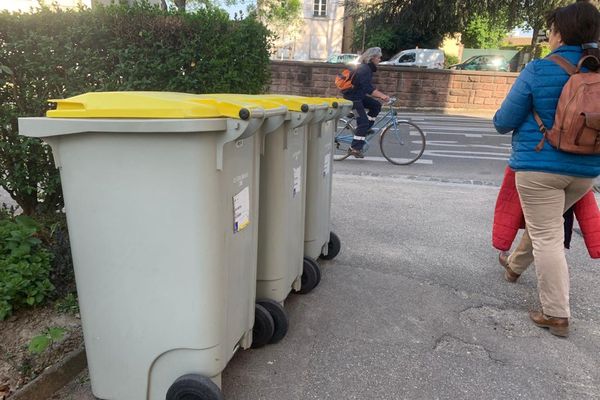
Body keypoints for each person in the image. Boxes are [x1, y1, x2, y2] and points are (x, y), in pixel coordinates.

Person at [493, 1, 600, 337]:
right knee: (546, 226)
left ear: (559, 33)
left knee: (547, 235)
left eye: (552, 29)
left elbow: (504, 120)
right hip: (585, 171)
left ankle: (556, 313)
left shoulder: (539, 69)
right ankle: (513, 268)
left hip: (539, 167)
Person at [342, 47, 390, 158]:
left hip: (358, 96)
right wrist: (383, 96)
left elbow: (366, 88)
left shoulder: (367, 68)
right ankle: (354, 148)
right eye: (379, 57)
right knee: (362, 122)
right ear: (372, 58)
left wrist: (380, 97)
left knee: (376, 105)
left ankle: (365, 130)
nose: (380, 59)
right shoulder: (364, 69)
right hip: (352, 100)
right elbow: (368, 88)